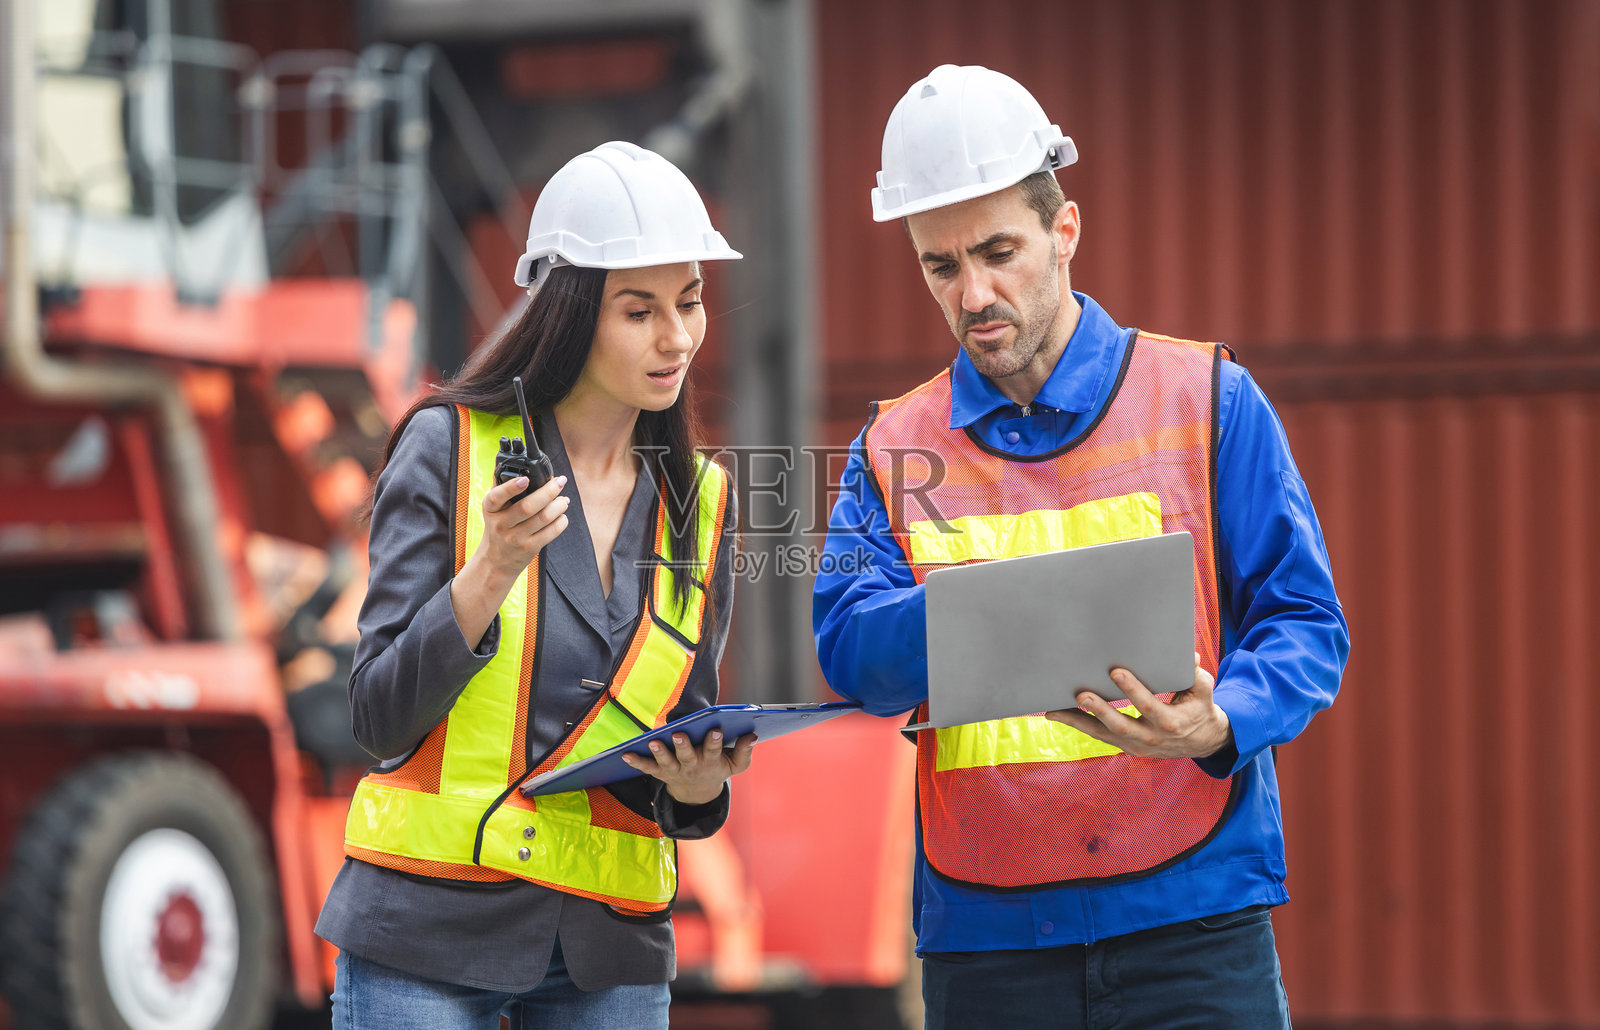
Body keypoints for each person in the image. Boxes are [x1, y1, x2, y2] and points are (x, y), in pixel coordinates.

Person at [813, 65, 1350, 1029]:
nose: (975, 292)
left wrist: (1221, 721)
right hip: (989, 941)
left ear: (1065, 234)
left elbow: (1306, 622)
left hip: (1191, 924)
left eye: (999, 251)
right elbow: (850, 656)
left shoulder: (1207, 402)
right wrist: (964, 612)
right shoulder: (889, 449)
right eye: (941, 265)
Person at [317, 141, 755, 1029]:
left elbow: (675, 742)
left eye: (690, 301)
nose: (676, 337)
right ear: (570, 313)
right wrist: (491, 572)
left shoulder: (699, 503)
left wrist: (702, 786)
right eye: (640, 312)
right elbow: (376, 719)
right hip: (426, 931)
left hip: (609, 948)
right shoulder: (447, 450)